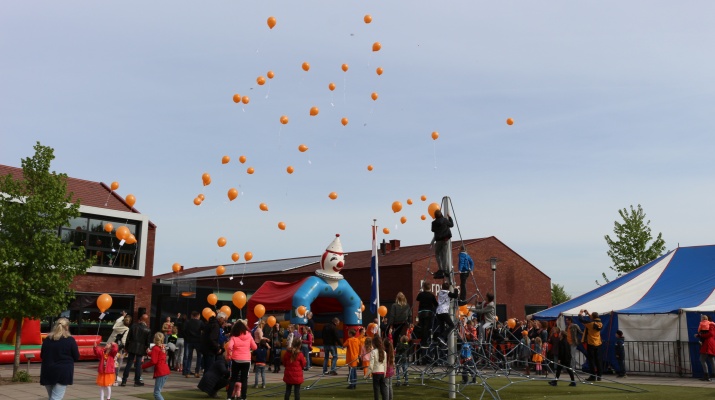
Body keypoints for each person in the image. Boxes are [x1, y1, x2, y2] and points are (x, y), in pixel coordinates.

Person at [40, 318, 79, 400]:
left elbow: (42, 355)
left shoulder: (47, 339)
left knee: (52, 397)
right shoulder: (70, 340)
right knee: (56, 398)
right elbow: (76, 356)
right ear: (67, 327)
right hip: (62, 372)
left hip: (47, 371)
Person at [226, 319, 256, 400]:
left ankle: (229, 397)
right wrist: (249, 349)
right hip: (246, 360)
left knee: (233, 379)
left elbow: (229, 347)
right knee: (244, 379)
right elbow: (255, 347)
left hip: (236, 359)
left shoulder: (234, 337)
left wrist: (229, 354)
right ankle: (243, 397)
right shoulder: (249, 335)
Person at [121, 313, 151, 387]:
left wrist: (126, 347)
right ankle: (137, 381)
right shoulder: (147, 329)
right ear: (146, 321)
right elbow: (147, 342)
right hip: (140, 348)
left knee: (129, 363)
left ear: (140, 319)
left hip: (132, 346)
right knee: (138, 365)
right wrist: (146, 348)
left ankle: (124, 380)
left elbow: (128, 338)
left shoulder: (134, 326)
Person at [141, 332, 171, 400]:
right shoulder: (162, 347)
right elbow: (157, 356)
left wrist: (142, 366)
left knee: (156, 393)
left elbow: (154, 361)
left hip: (161, 371)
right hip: (165, 370)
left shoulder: (155, 348)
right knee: (158, 392)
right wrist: (149, 353)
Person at [578, 309, 603, 381]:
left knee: (591, 360)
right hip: (598, 343)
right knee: (598, 360)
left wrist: (580, 313)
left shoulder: (590, 324)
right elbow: (594, 319)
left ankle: (592, 376)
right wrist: (588, 314)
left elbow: (581, 320)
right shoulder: (600, 324)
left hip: (591, 343)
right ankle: (599, 376)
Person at [416, 282, 437, 351]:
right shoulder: (431, 295)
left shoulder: (421, 294)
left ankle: (422, 340)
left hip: (421, 312)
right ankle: (425, 342)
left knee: (422, 326)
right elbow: (436, 304)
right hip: (428, 312)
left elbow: (417, 298)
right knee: (427, 327)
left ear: (423, 287)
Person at [695, 315, 715, 381]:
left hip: (707, 344)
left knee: (702, 359)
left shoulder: (710, 325)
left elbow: (711, 334)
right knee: (711, 359)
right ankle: (712, 374)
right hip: (710, 343)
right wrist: (699, 335)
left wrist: (700, 335)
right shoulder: (711, 325)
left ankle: (706, 375)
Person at [369, 336, 388, 400]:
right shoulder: (384, 352)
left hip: (376, 373)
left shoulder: (373, 352)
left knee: (376, 390)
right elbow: (385, 364)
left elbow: (371, 365)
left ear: (374, 344)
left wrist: (367, 374)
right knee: (383, 390)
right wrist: (385, 373)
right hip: (382, 372)